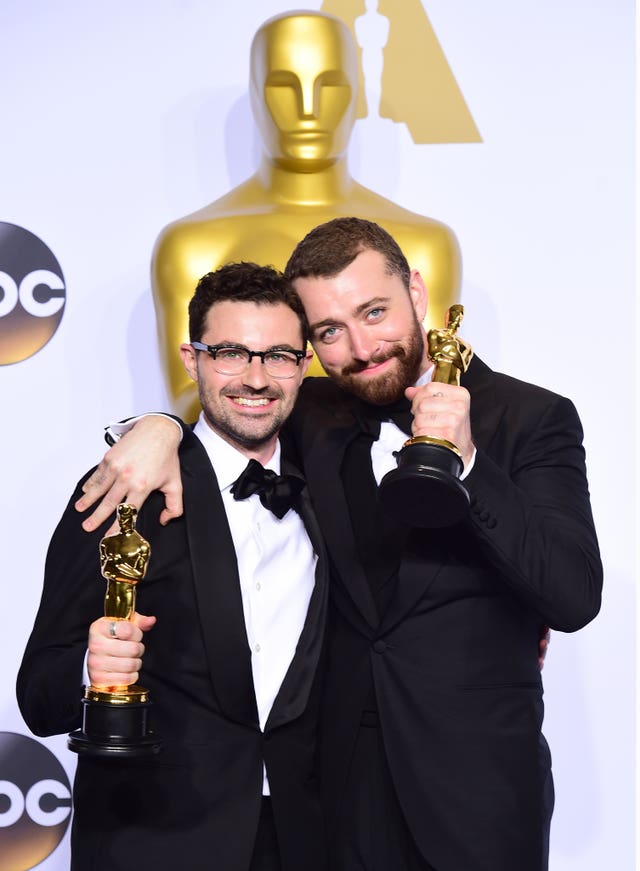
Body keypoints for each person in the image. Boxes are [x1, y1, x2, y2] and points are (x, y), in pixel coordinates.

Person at [75, 218, 602, 871]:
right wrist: (155, 425)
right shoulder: (313, 413)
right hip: (334, 800)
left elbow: (573, 593)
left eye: (374, 311)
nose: (359, 347)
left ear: (415, 287)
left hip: (481, 796)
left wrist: (468, 461)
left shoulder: (532, 418)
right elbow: (233, 403)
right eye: (328, 332)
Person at [17, 263, 329, 871]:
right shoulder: (127, 488)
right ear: (192, 358)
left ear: (305, 363)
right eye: (231, 353)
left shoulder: (330, 479)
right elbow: (38, 695)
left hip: (305, 836)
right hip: (154, 841)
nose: (257, 378)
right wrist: (92, 670)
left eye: (280, 356)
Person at [151, 9, 460, 420]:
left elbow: (431, 388)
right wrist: (156, 427)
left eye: (329, 86)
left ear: (355, 95)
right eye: (283, 86)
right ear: (256, 93)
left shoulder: (426, 241)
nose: (308, 108)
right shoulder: (193, 243)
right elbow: (193, 403)